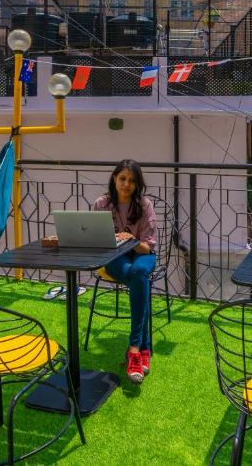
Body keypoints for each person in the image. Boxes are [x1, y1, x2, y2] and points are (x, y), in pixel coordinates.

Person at [92, 160, 157, 384]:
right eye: (122, 179)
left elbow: (148, 247)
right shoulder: (101, 204)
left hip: (142, 254)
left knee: (139, 273)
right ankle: (143, 350)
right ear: (114, 178)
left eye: (131, 180)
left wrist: (131, 240)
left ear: (137, 184)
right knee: (140, 280)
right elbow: (95, 241)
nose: (126, 184)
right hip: (113, 256)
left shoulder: (144, 205)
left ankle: (134, 348)